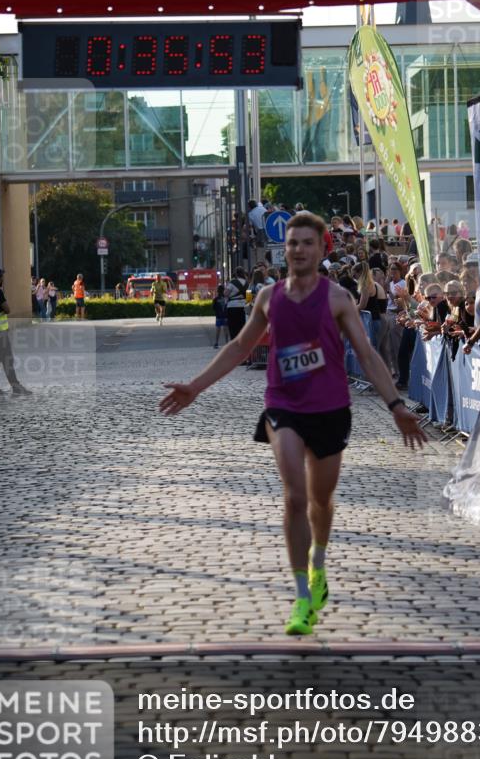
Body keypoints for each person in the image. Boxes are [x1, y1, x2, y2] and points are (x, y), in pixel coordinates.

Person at [159, 213, 427, 636]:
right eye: (292, 243)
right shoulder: (269, 297)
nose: (298, 249)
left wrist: (395, 405)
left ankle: (318, 564)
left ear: (321, 249)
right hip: (283, 407)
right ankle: (302, 596)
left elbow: (368, 354)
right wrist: (195, 386)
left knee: (321, 499)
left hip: (331, 408)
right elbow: (239, 346)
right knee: (295, 496)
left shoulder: (338, 298)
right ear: (284, 249)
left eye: (306, 243)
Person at [0, 267, 30, 396]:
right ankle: (16, 387)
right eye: (2, 276)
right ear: (0, 278)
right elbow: (7, 309)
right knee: (7, 360)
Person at [224, 267, 248, 341]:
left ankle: (234, 341)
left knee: (233, 327)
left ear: (236, 274)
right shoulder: (247, 283)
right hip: (243, 307)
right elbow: (249, 298)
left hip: (232, 306)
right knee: (242, 326)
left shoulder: (232, 282)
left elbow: (225, 293)